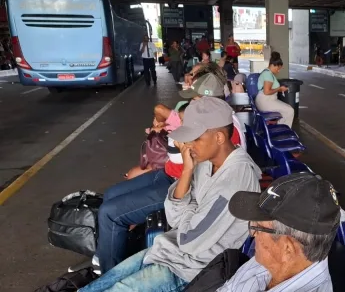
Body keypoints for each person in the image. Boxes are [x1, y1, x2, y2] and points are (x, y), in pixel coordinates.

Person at [80, 97, 262, 292]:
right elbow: (175, 217)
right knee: (96, 286)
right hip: (169, 251)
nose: (189, 145)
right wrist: (187, 172)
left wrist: (189, 209)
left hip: (191, 269)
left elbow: (189, 239)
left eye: (196, 138)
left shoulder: (234, 181)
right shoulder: (206, 161)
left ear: (219, 137)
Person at [94, 102, 190, 272]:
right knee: (110, 194)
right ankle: (112, 249)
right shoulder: (192, 126)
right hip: (166, 174)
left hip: (177, 185)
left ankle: (109, 275)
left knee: (109, 213)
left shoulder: (205, 135)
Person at [218, 172, 340, 291]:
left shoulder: (269, 257)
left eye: (257, 228)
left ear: (288, 248)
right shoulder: (269, 261)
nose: (253, 236)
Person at [256, 52, 294, 128]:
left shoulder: (267, 72)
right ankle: (283, 130)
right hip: (266, 101)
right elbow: (266, 92)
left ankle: (279, 125)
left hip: (266, 100)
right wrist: (279, 89)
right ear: (273, 65)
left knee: (288, 107)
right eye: (278, 68)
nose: (278, 71)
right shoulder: (268, 75)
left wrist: (278, 90)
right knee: (290, 111)